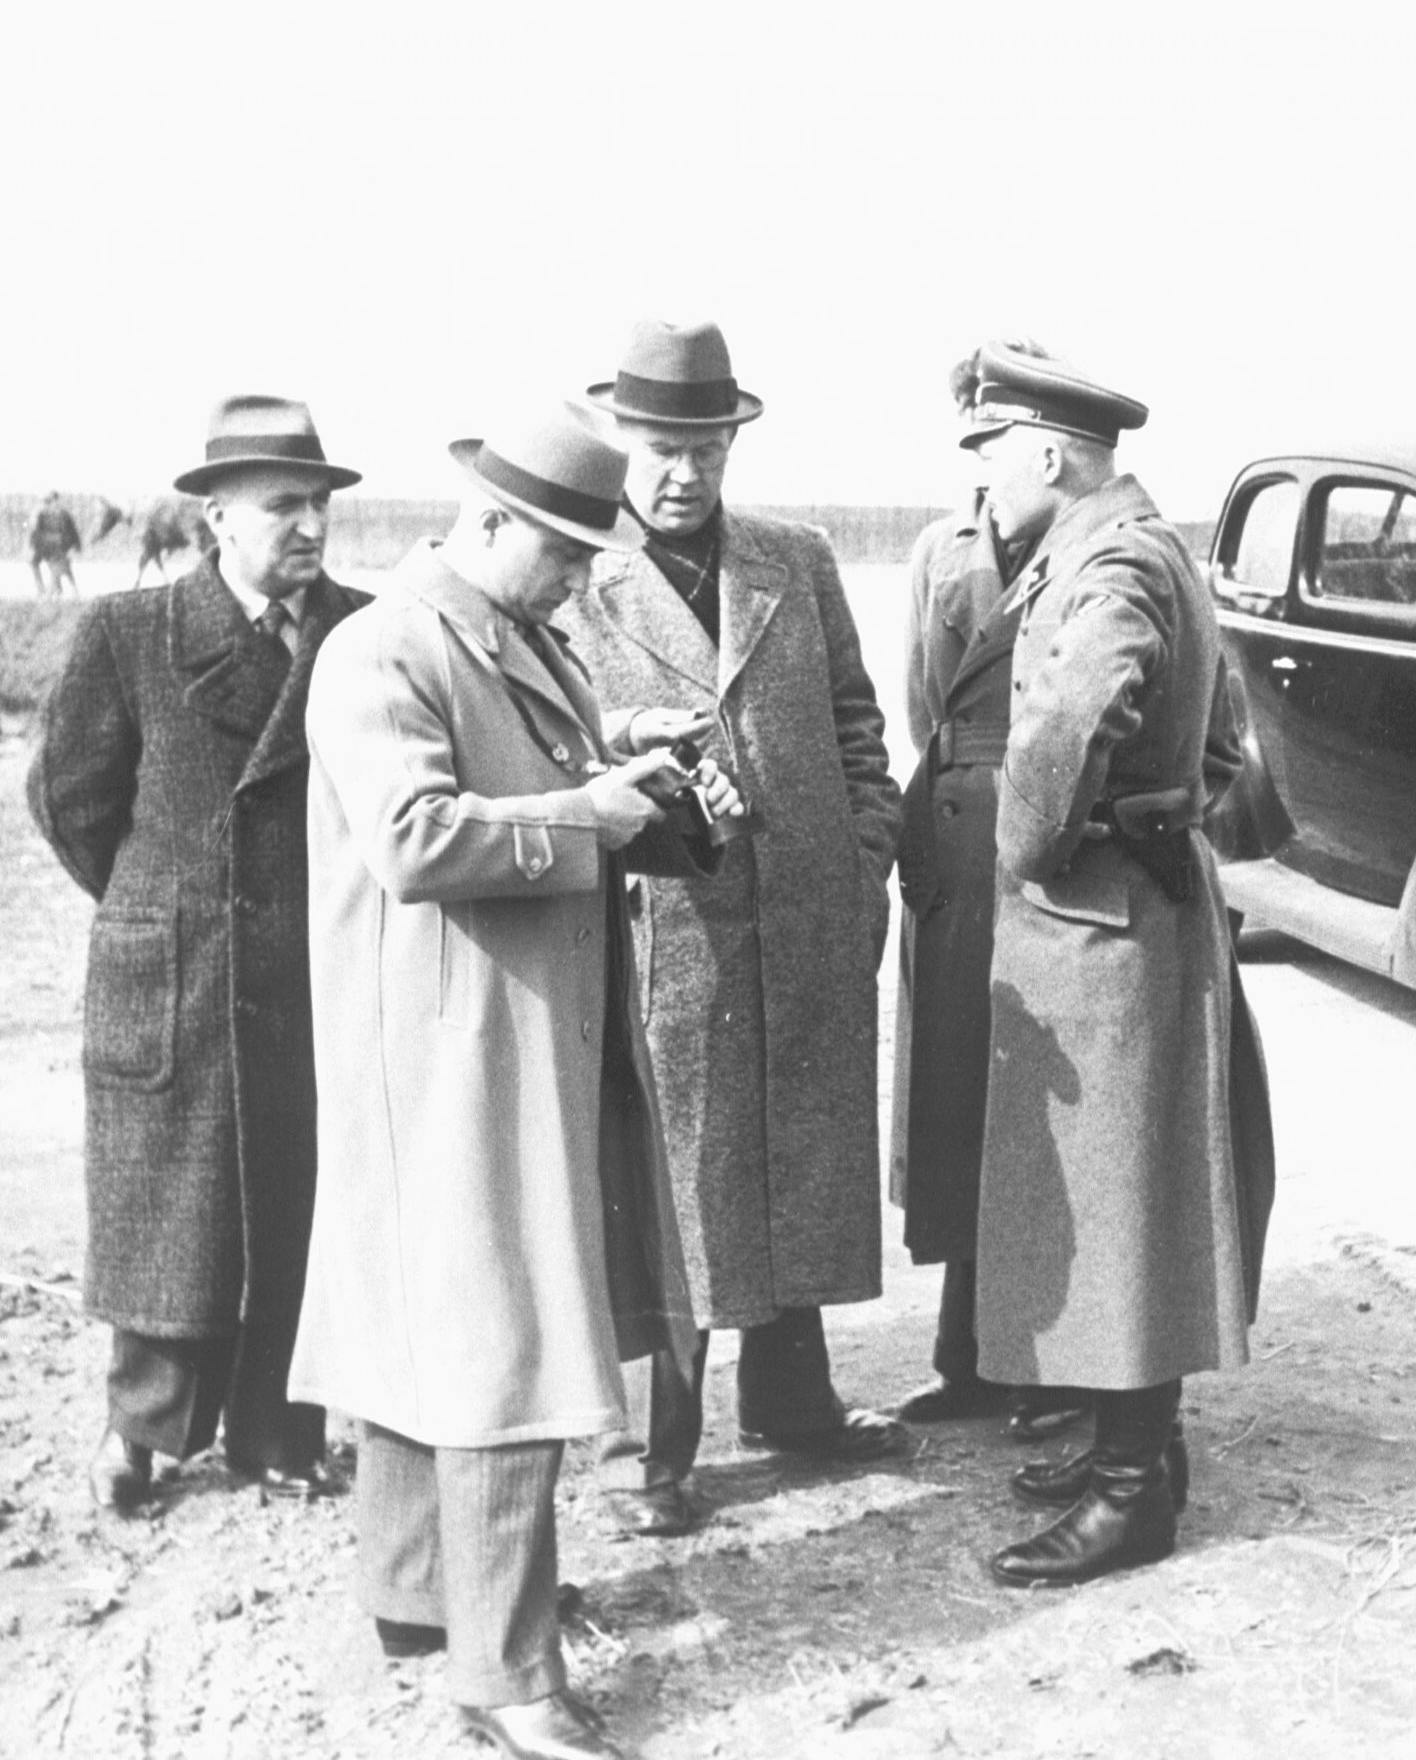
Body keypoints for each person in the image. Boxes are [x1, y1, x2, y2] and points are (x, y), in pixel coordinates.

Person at [294, 411, 735, 1760]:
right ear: (485, 524)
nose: (579, 583)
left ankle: (424, 1598)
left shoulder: (508, 633)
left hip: (504, 1030)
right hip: (450, 1052)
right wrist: (589, 814)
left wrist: (620, 774)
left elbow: (518, 785)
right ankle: (506, 1674)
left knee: (435, 1316)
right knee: (495, 1336)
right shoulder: (383, 646)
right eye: (561, 554)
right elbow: (418, 838)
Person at [563, 319, 908, 1539]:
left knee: (794, 1165)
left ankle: (796, 1404)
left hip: (805, 923)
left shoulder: (792, 561)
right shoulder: (577, 577)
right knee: (679, 1188)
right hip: (667, 938)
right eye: (661, 447)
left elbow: (860, 731)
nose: (681, 474)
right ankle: (647, 1455)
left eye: (703, 447)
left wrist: (860, 864)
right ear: (621, 441)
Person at [962, 341, 1270, 1588]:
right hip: (1121, 913)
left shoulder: (1110, 563)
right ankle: (1123, 1453)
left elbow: (1072, 718)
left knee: (1125, 1207)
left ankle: (1135, 1487)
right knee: (1113, 1200)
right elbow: (1227, 742)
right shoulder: (1133, 543)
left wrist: (1029, 842)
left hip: (1099, 925)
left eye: (990, 457)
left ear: (1047, 452)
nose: (981, 484)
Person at [29, 393, 365, 1514]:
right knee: (171, 1205)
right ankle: (144, 1428)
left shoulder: (361, 637)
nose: (308, 527)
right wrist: (158, 907)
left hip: (311, 972)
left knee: (296, 1198)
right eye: (282, 506)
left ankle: (281, 1433)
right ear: (215, 516)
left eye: (319, 505)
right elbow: (72, 803)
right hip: (181, 969)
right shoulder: (130, 637)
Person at [881, 340, 1087, 1443]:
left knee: (1042, 1107)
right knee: (960, 1092)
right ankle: (965, 1357)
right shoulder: (938, 549)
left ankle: (1042, 1359)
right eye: (973, 434)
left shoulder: (1086, 546)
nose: (984, 452)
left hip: (1039, 828)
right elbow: (923, 702)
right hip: (958, 834)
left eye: (998, 434)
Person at [29, 490, 83, 595]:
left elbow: (72, 531)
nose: (52, 504)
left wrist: (76, 546)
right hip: (48, 547)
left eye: (53, 501)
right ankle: (47, 590)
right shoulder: (43, 513)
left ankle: (54, 590)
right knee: (38, 563)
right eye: (49, 501)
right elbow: (35, 531)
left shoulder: (62, 514)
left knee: (58, 568)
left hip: (56, 547)